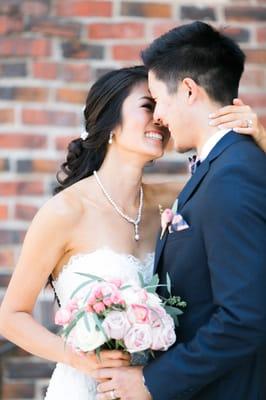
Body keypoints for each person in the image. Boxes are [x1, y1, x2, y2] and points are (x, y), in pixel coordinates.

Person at [0, 60, 265, 400]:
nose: (160, 118)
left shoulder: (178, 198)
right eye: (147, 106)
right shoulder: (65, 212)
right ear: (111, 122)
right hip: (89, 387)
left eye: (161, 107)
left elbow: (242, 183)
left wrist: (259, 139)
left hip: (155, 387)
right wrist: (79, 357)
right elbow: (11, 316)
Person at [93, 22, 266, 400]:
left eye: (158, 100)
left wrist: (151, 382)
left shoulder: (233, 174)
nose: (158, 117)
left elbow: (244, 318)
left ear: (188, 90)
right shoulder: (218, 167)